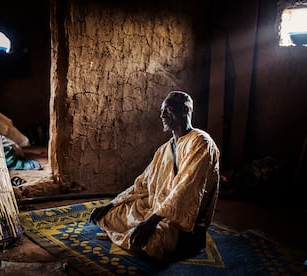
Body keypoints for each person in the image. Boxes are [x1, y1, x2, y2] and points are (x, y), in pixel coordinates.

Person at [89, 90, 220, 260]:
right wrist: (111, 204)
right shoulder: (164, 149)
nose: (162, 115)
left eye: (168, 110)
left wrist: (151, 221)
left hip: (179, 218)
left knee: (151, 241)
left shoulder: (201, 142)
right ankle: (131, 234)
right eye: (162, 110)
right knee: (109, 215)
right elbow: (142, 184)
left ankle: (135, 236)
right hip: (156, 207)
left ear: (186, 110)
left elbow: (186, 188)